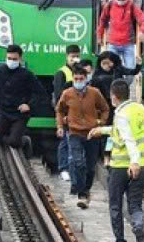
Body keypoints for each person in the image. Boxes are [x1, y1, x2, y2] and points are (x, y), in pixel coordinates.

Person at [88, 80, 144, 242]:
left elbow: (128, 138)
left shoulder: (121, 114)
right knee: (135, 205)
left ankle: (120, 239)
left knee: (115, 205)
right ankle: (138, 227)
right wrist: (102, 130)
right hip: (142, 166)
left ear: (113, 96)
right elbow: (124, 131)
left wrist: (133, 162)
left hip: (121, 168)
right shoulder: (138, 108)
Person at [0, 44, 46, 183]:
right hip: (4, 112)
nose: (11, 61)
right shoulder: (0, 71)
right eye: (9, 58)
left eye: (14, 58)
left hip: (19, 115)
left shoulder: (27, 75)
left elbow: (41, 94)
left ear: (20, 58)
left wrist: (28, 105)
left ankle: (23, 140)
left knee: (13, 142)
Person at [55, 66, 109, 209]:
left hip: (92, 133)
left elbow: (105, 108)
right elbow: (59, 110)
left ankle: (86, 189)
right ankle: (81, 193)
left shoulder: (94, 93)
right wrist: (60, 126)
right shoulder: (67, 94)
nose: (78, 81)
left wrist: (101, 122)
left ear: (86, 79)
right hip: (74, 132)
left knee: (91, 166)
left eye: (81, 79)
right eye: (76, 79)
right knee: (78, 161)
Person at [96, 0, 144, 70]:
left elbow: (143, 20)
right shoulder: (109, 6)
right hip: (112, 44)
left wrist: (142, 31)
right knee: (110, 69)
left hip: (128, 44)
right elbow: (102, 21)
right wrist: (99, 36)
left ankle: (124, 83)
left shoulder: (132, 6)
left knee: (130, 69)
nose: (120, 1)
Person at [53, 45, 81, 183]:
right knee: (64, 141)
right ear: (67, 56)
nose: (75, 59)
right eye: (72, 56)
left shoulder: (80, 72)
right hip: (65, 112)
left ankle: (73, 168)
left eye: (77, 56)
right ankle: (63, 168)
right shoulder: (62, 73)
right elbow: (59, 95)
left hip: (77, 113)